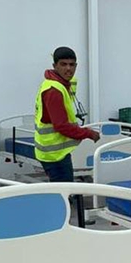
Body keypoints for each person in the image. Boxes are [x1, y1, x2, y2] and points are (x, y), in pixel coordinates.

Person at [35, 46, 99, 183]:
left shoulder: (60, 84)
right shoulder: (54, 90)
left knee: (62, 190)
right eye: (63, 64)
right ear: (55, 66)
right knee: (63, 191)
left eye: (71, 64)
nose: (68, 68)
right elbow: (62, 126)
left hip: (56, 152)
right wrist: (88, 133)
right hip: (54, 155)